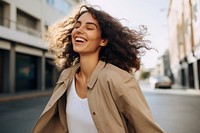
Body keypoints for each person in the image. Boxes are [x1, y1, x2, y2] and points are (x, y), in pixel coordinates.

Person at [32, 4, 165, 133]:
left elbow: (147, 128)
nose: (79, 30)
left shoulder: (117, 79)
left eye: (89, 28)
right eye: (77, 26)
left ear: (103, 41)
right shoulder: (66, 76)